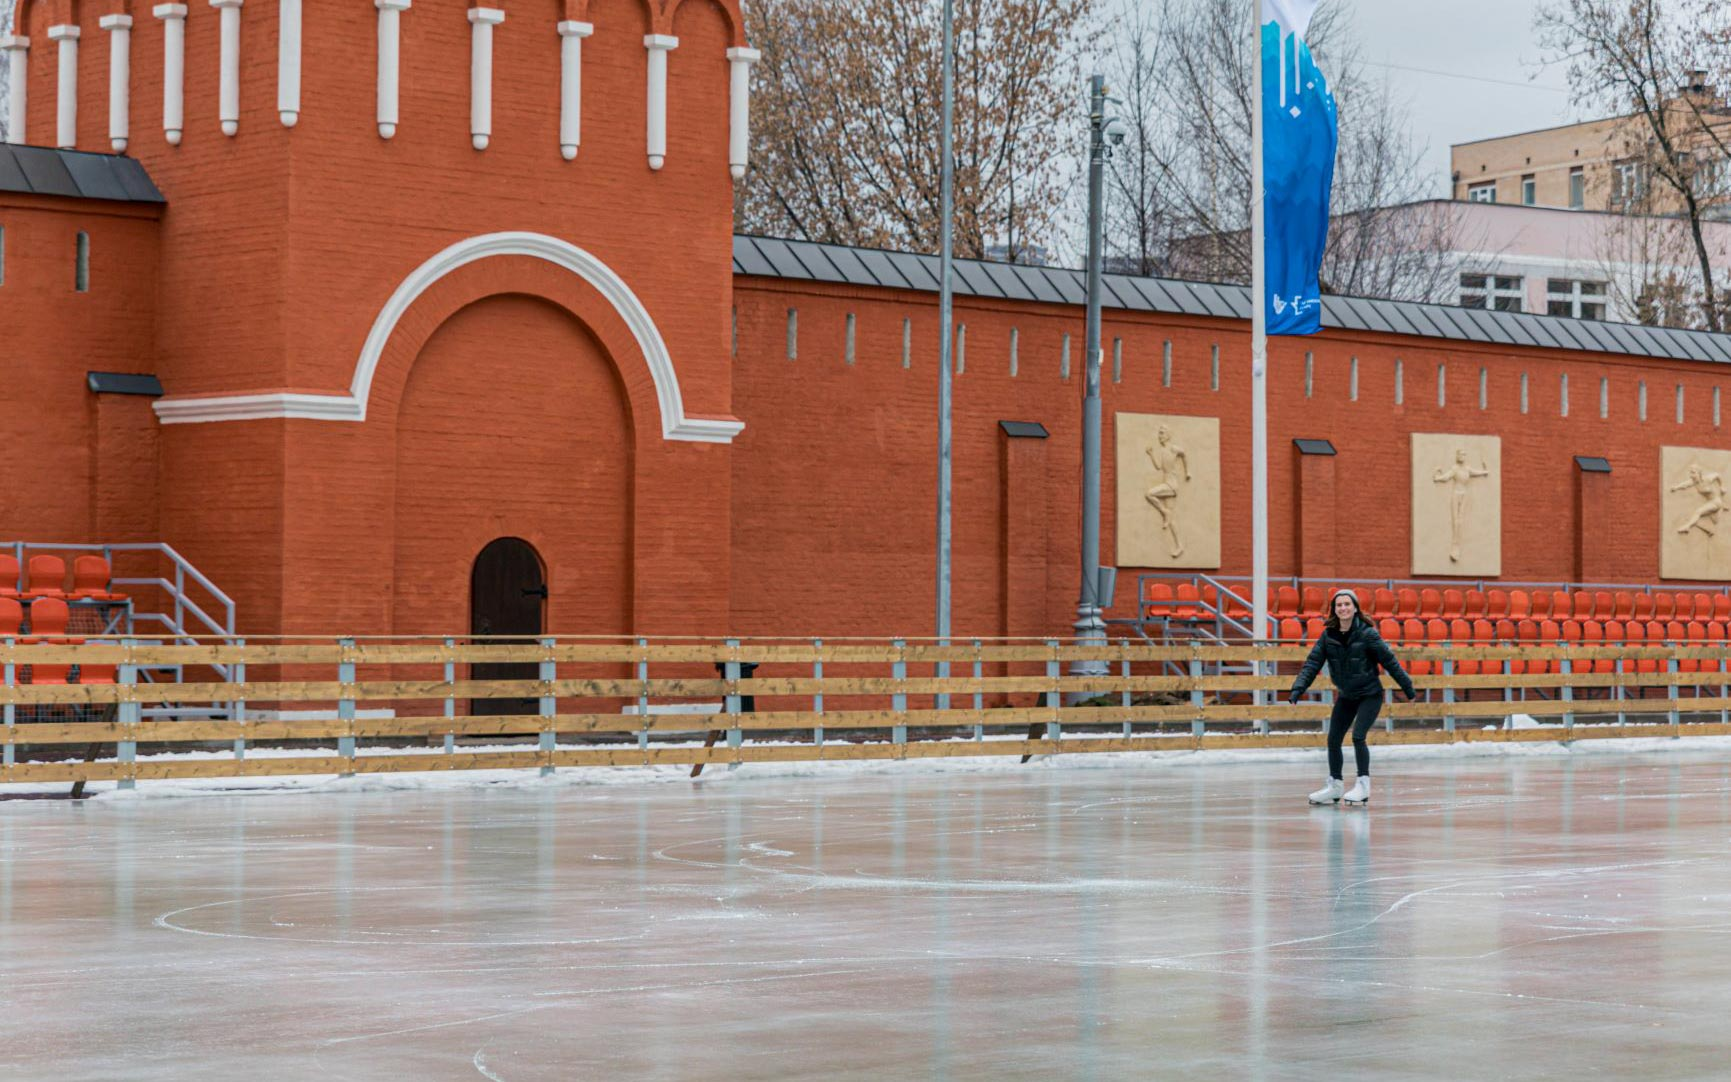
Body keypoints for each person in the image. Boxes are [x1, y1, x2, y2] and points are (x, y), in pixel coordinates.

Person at [1288, 588, 1416, 806]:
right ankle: (1335, 786)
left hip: (1370, 695)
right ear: (1334, 610)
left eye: (1347, 604)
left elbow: (1390, 662)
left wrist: (1408, 688)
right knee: (1333, 739)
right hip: (1347, 696)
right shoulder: (1328, 636)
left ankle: (1363, 786)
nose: (1343, 608)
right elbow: (1312, 663)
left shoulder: (1368, 634)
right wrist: (1298, 688)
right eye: (1339, 605)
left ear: (1355, 608)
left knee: (1358, 736)